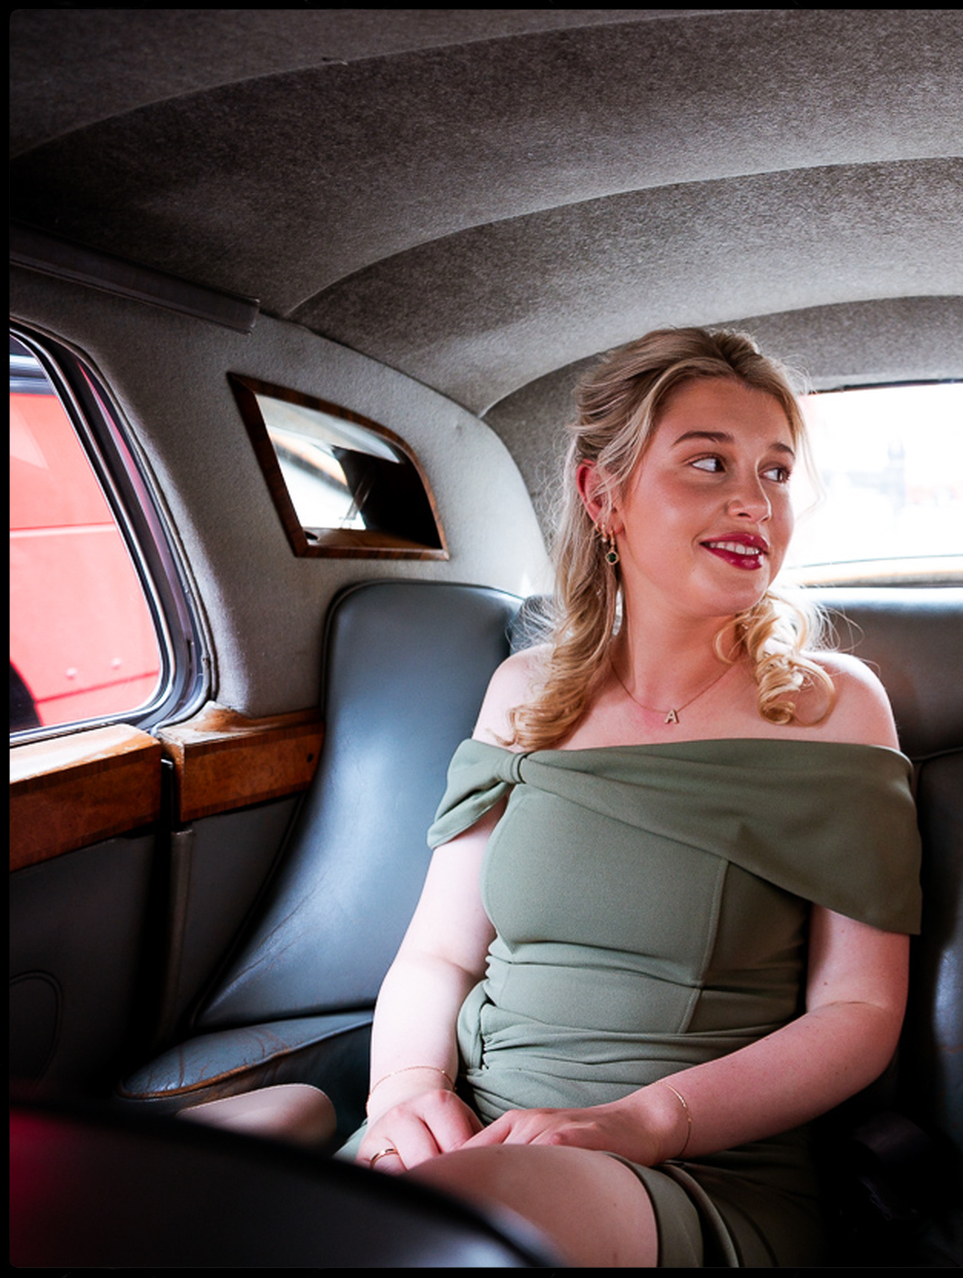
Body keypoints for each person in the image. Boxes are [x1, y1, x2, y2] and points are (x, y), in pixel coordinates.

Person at [342, 328, 921, 1266]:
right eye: (708, 462)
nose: (753, 501)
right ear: (601, 494)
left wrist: (647, 1122)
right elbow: (440, 951)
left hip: (692, 1165)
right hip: (462, 1136)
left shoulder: (832, 706)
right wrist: (404, 1091)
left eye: (776, 473)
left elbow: (858, 1012)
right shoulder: (524, 693)